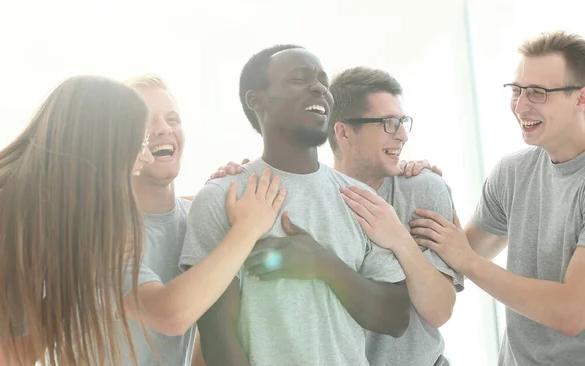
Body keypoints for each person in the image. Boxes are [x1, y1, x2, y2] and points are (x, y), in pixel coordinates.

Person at [179, 45, 410, 366]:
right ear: (256, 100)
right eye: (299, 79)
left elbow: (395, 318)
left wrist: (324, 265)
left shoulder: (362, 200)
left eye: (322, 81)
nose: (318, 88)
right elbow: (219, 338)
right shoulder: (222, 197)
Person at [409, 30, 585, 365]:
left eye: (537, 93)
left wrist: (468, 261)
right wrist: (423, 186)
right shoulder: (513, 172)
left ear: (580, 98)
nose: (520, 106)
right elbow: (459, 251)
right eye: (516, 90)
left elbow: (571, 312)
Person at [0, 75, 152, 365]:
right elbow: (11, 361)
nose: (145, 158)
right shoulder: (13, 218)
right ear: (103, 151)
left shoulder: (24, 198)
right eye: (139, 144)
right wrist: (88, 267)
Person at [119, 74, 285, 366]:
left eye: (173, 119)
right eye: (145, 120)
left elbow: (207, 336)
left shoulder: (197, 220)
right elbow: (171, 315)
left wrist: (219, 199)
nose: (162, 129)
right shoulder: (103, 232)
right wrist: (247, 228)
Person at [328, 66, 463, 365]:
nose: (402, 135)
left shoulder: (424, 189)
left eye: (402, 122)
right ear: (344, 132)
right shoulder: (317, 198)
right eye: (388, 123)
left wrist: (400, 240)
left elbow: (440, 311)